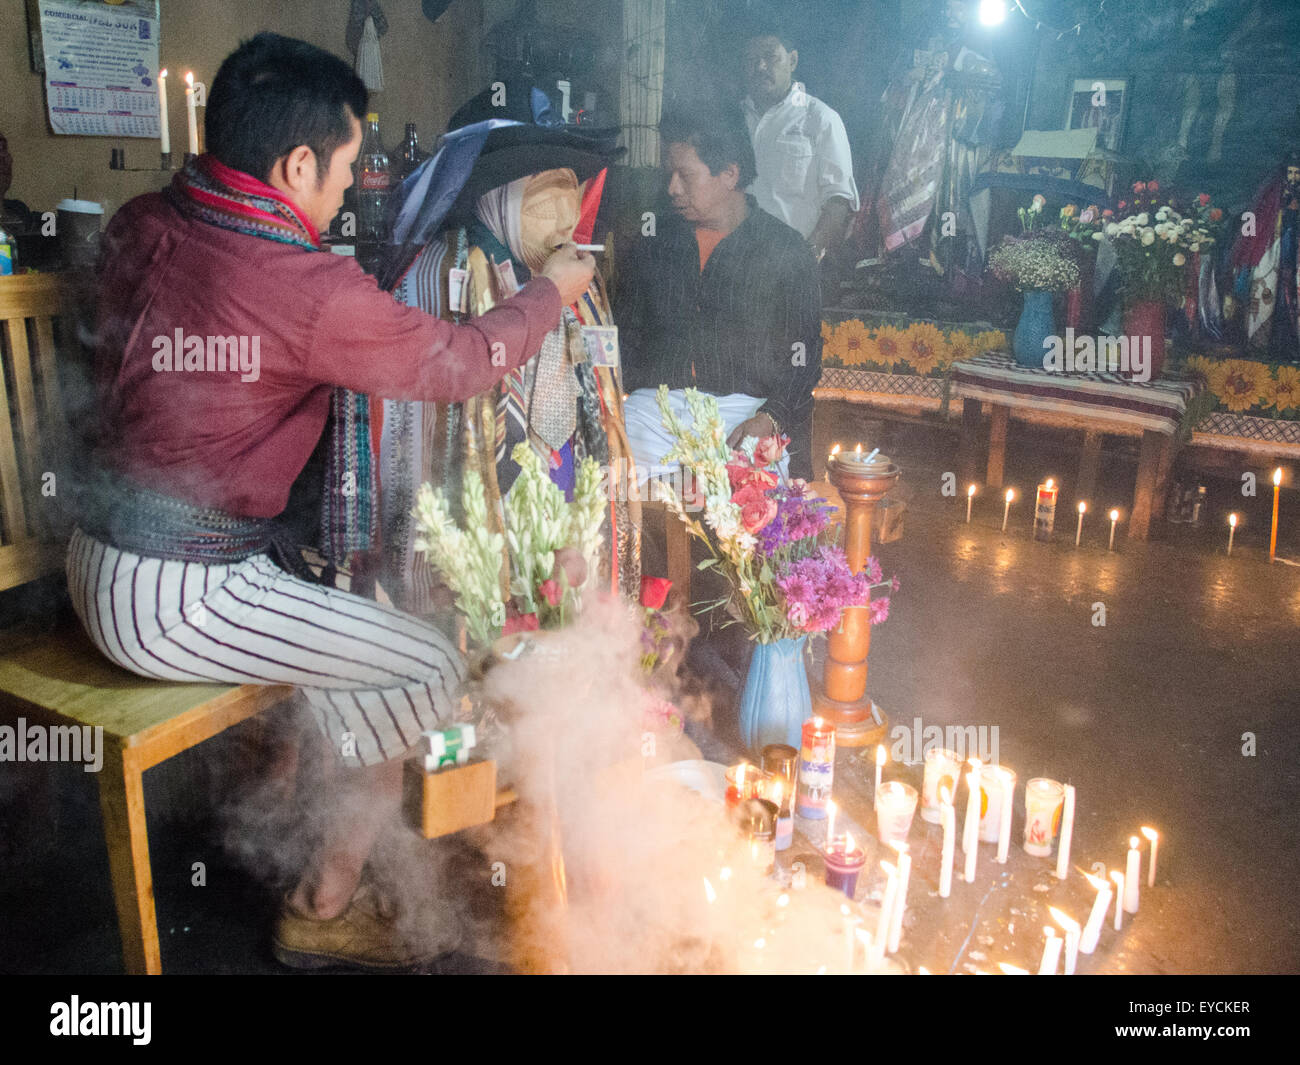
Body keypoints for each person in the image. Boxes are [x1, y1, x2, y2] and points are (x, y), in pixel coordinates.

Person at [68, 33, 594, 970]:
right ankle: (324, 897)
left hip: (93, 562)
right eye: (348, 168)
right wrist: (549, 293)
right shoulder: (301, 284)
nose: (353, 189)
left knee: (341, 627)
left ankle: (276, 826)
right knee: (420, 664)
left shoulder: (147, 217)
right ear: (296, 162)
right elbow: (458, 362)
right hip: (173, 597)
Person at [377, 80, 641, 612]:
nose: (569, 220)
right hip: (486, 488)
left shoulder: (576, 276)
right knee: (497, 616)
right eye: (548, 200)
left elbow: (602, 393)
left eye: (575, 195)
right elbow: (437, 407)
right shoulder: (446, 274)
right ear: (498, 196)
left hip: (567, 476)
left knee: (565, 611)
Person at [616, 107, 823, 484]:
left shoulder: (786, 250)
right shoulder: (652, 243)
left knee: (754, 489)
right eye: (670, 174)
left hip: (747, 415)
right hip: (654, 414)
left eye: (686, 175)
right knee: (605, 465)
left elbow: (804, 358)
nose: (672, 188)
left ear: (730, 173)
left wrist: (771, 417)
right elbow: (624, 337)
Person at [740, 23, 860, 262]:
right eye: (752, 59)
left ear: (792, 61)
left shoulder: (820, 118)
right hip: (737, 262)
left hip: (793, 265)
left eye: (770, 57)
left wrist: (806, 258)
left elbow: (839, 200)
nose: (760, 66)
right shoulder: (732, 120)